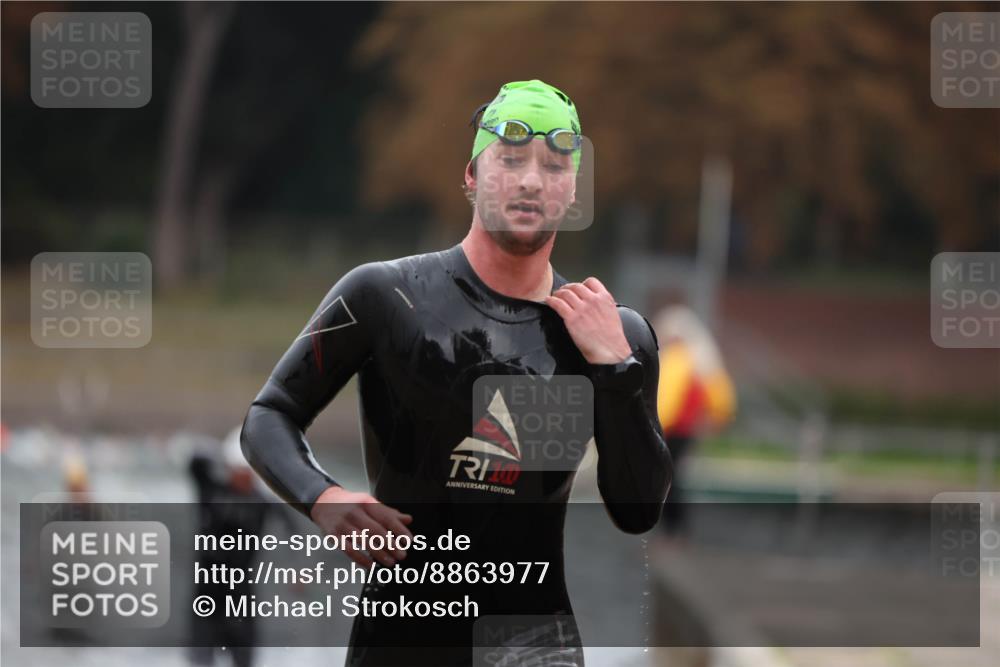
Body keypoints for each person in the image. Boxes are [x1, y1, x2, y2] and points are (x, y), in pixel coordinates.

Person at [240, 79, 672, 666]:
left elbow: (637, 511)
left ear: (572, 191)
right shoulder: (384, 296)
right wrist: (323, 497)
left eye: (553, 166)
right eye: (510, 160)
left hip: (532, 645)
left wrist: (614, 370)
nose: (529, 181)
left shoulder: (614, 335)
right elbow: (270, 415)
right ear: (471, 176)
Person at [653, 305, 736, 539]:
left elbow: (666, 401)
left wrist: (656, 425)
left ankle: (673, 529)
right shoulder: (703, 361)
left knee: (669, 479)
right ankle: (675, 530)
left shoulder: (677, 360)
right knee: (673, 477)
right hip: (686, 430)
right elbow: (721, 400)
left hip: (673, 430)